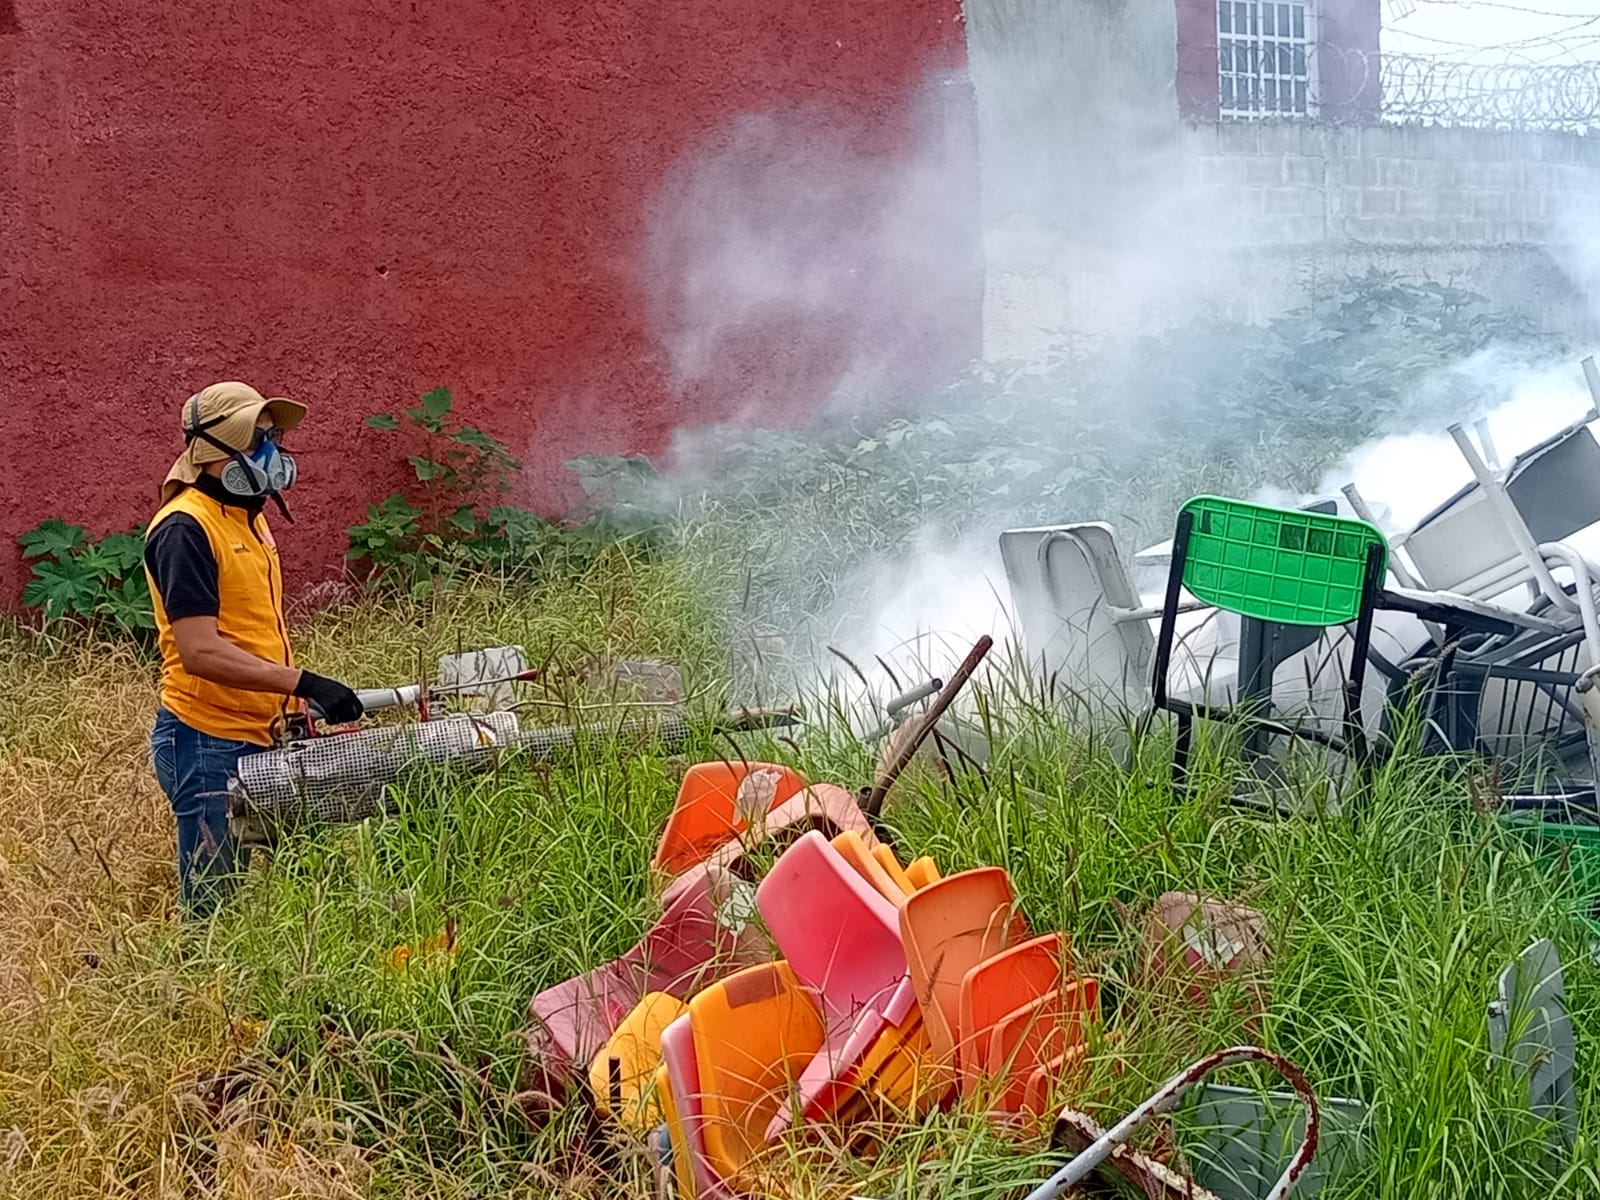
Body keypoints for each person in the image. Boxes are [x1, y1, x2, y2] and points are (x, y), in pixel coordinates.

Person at [143, 381, 365, 916]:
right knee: (213, 907)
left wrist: (293, 704)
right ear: (214, 452)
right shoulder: (185, 528)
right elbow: (201, 652)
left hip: (265, 729)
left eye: (274, 437)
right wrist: (304, 683)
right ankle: (201, 995)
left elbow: (249, 630)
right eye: (257, 438)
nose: (272, 451)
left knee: (310, 884)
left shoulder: (248, 516)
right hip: (206, 740)